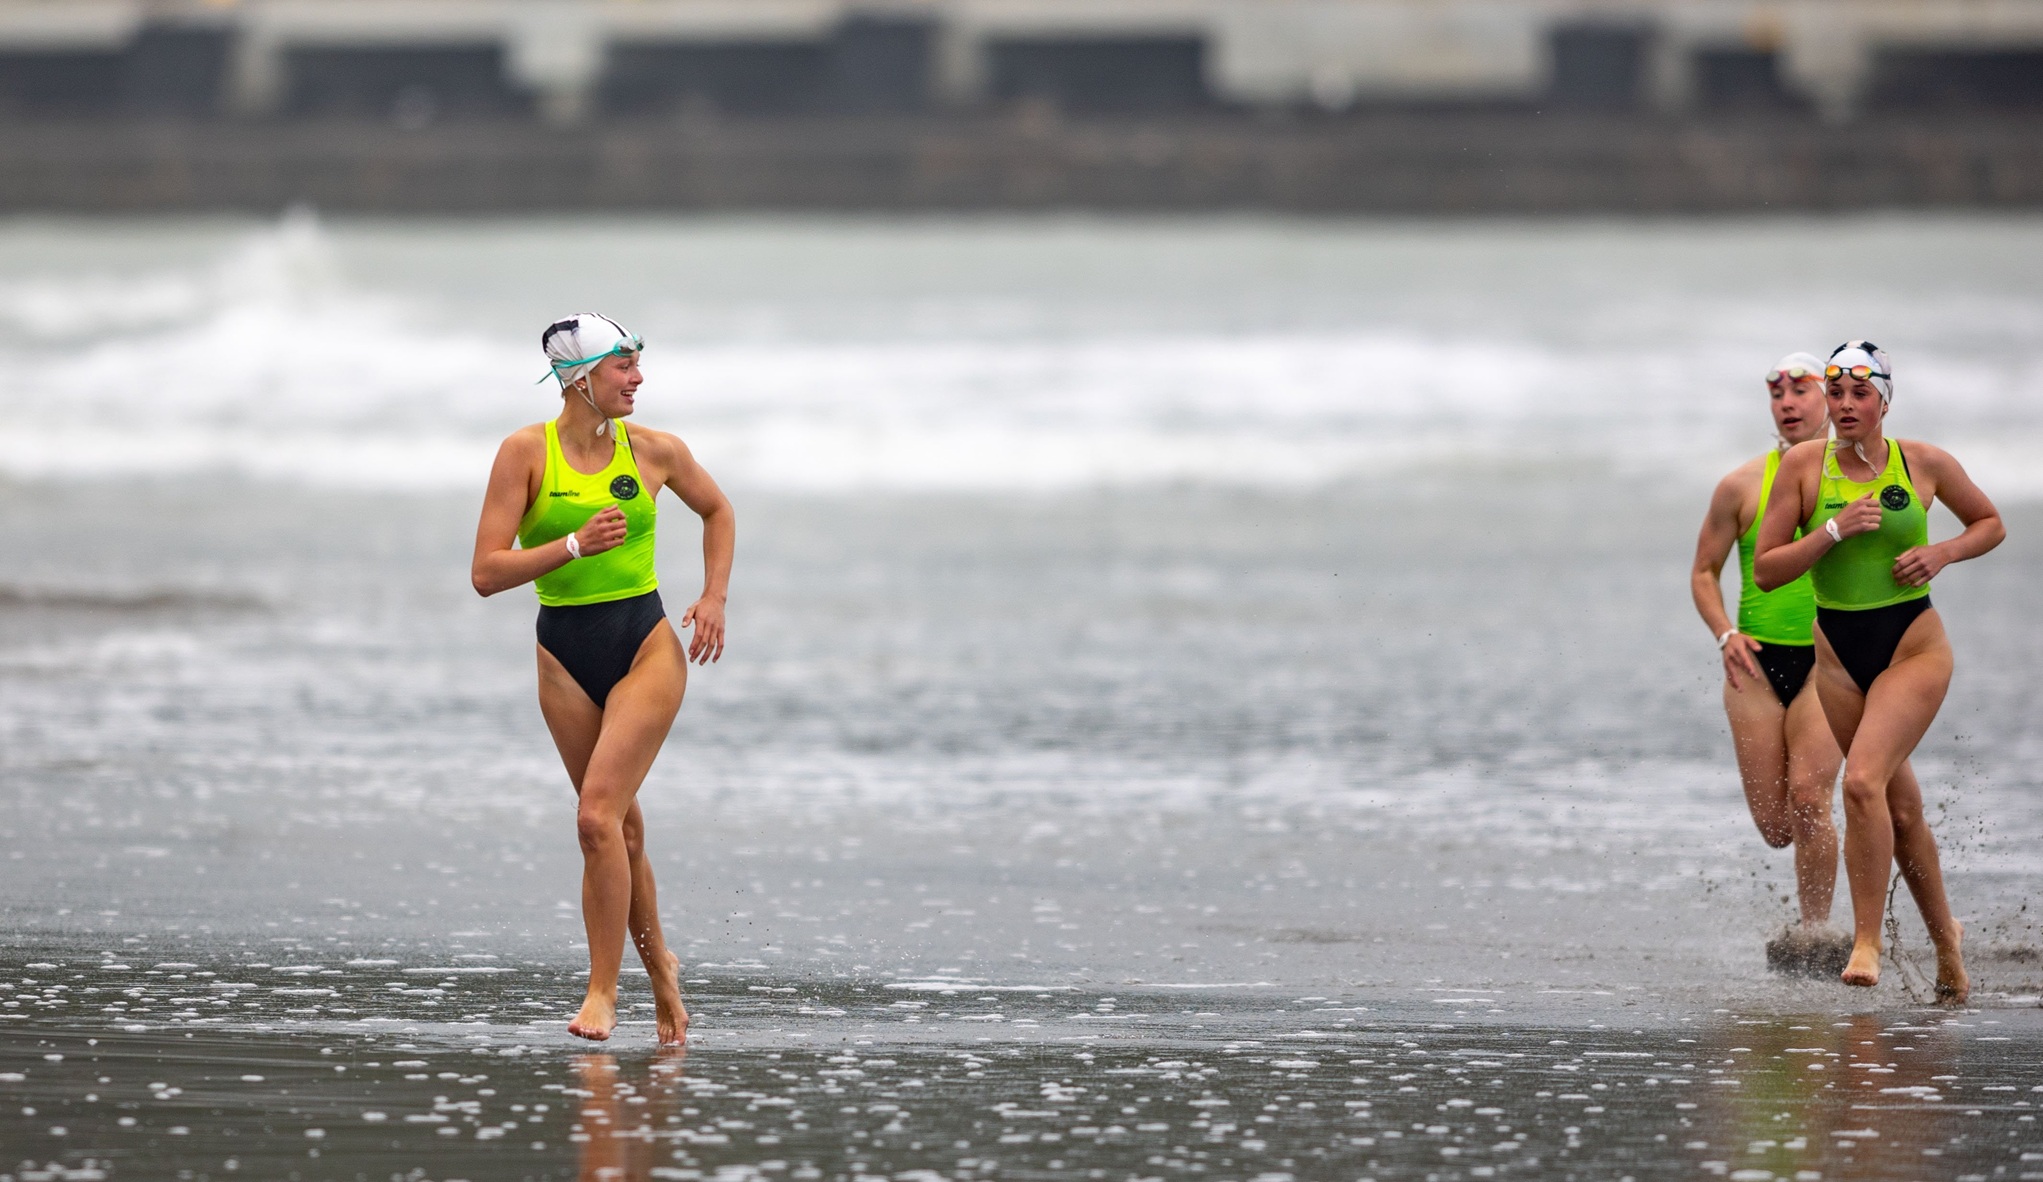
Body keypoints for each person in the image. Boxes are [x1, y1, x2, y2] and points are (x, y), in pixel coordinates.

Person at [470, 313, 734, 1042]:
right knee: (620, 828)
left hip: (644, 646)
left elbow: (717, 510)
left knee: (594, 821)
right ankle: (663, 978)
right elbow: (486, 574)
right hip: (562, 656)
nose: (638, 378)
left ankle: (601, 993)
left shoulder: (655, 451)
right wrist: (571, 545)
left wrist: (712, 597)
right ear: (578, 379)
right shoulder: (524, 455)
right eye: (623, 366)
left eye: (637, 364)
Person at [1755, 341, 2003, 1002]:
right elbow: (1767, 569)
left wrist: (1942, 552)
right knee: (1899, 804)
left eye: (1857, 394)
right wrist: (1832, 532)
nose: (1843, 406)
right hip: (1837, 659)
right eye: (1834, 394)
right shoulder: (1804, 469)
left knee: (1860, 782)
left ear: (1882, 400)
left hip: (1912, 648)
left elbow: (1989, 522)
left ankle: (1866, 941)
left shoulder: (1919, 462)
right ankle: (1947, 944)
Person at [1689, 352, 1849, 971]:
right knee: (1778, 827)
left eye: (1800, 390)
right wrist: (1724, 632)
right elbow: (1704, 571)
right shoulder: (1740, 484)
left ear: (1829, 400)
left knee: (1811, 798)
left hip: (1827, 660)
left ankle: (1816, 935)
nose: (1787, 402)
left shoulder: (1852, 478)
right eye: (1776, 393)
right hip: (1753, 665)